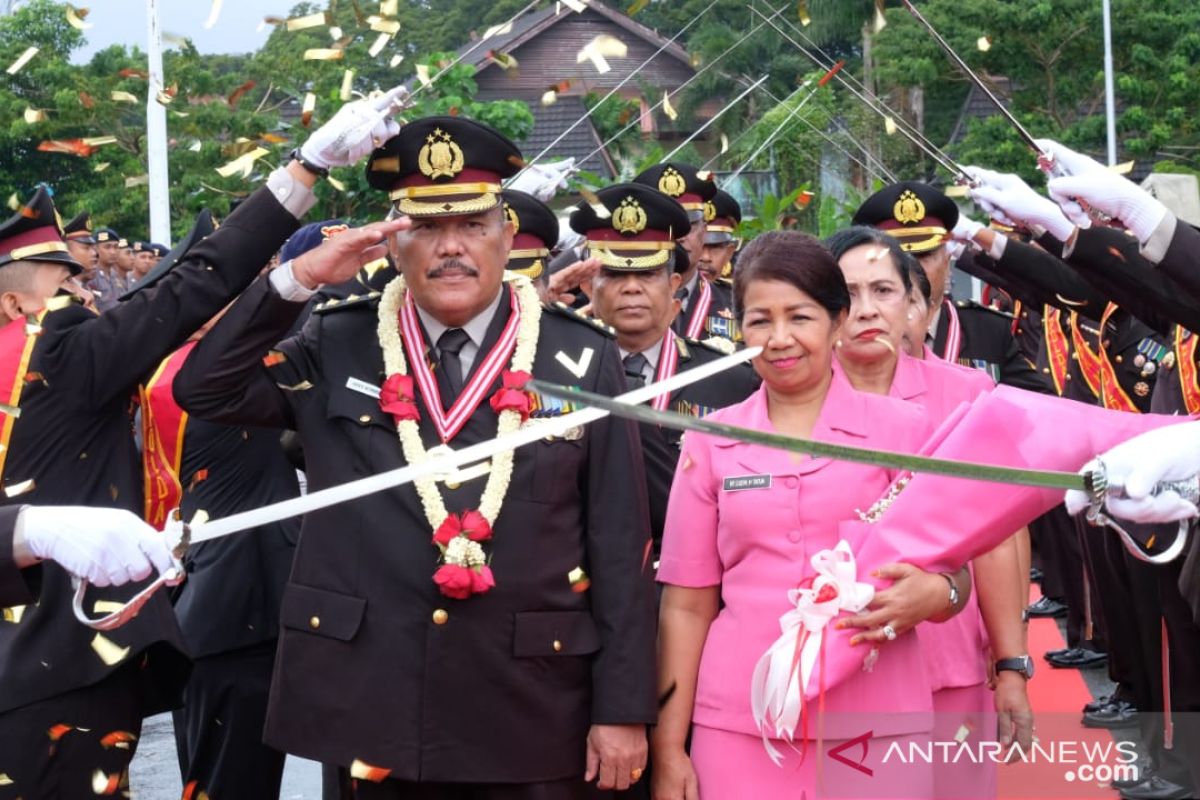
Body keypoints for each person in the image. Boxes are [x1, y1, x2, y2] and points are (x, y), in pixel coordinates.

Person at [173, 115, 657, 798]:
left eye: (471, 225)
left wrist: (621, 708)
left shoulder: (580, 354)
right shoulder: (337, 339)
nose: (450, 248)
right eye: (426, 227)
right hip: (374, 701)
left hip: (531, 701)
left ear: (507, 237)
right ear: (392, 243)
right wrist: (295, 281)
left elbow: (618, 542)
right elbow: (205, 387)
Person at [0, 88, 405, 797]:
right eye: (66, 289)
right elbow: (198, 281)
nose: (90, 300)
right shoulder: (61, 359)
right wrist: (304, 169)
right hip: (52, 671)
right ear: (12, 305)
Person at [651, 230, 974, 798]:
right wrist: (670, 749)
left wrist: (938, 594)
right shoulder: (712, 440)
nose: (779, 339)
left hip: (877, 717)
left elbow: (956, 575)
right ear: (738, 328)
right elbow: (685, 602)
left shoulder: (904, 433)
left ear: (837, 320)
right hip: (739, 719)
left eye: (799, 317)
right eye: (759, 321)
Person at [826, 226, 1033, 796]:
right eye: (848, 294)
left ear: (916, 303)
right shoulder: (793, 398)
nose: (866, 310)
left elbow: (994, 537)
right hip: (832, 657)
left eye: (884, 291)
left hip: (947, 655)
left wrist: (1012, 665)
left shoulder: (968, 399)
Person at [129, 209, 302, 799]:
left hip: (218, 604)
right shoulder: (196, 378)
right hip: (236, 607)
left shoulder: (168, 369)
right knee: (233, 780)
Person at [573, 182, 759, 549]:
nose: (631, 288)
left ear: (674, 285)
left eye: (646, 274)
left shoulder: (730, 380)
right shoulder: (557, 372)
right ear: (588, 286)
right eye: (613, 274)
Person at [853, 181, 1049, 392]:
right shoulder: (852, 330)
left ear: (947, 259)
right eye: (897, 257)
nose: (911, 269)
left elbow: (1038, 408)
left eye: (924, 255)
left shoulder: (987, 330)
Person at [632, 162, 736, 343]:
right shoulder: (610, 304)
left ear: (703, 231)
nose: (678, 236)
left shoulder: (737, 305)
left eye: (688, 225)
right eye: (664, 225)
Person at [697, 189, 740, 284]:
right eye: (698, 244)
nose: (705, 257)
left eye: (715, 247)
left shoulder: (738, 297)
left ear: (729, 252)